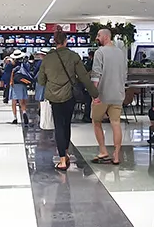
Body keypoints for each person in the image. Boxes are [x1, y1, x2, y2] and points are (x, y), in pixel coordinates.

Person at [39, 30, 99, 171]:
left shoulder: (47, 58)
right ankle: (65, 153)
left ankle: (62, 160)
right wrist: (94, 94)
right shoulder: (73, 56)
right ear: (66, 41)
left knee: (58, 126)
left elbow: (41, 80)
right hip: (70, 96)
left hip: (54, 97)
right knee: (66, 125)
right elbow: (84, 77)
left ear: (54, 42)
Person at [89, 29, 127, 165]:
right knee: (116, 124)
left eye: (98, 35)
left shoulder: (100, 52)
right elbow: (125, 74)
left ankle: (103, 150)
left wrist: (94, 94)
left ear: (105, 36)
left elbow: (96, 75)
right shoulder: (121, 53)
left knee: (96, 121)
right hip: (118, 94)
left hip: (102, 95)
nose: (97, 37)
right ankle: (116, 156)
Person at [9, 53, 36, 124]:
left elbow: (11, 74)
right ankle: (24, 112)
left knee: (14, 101)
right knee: (22, 101)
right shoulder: (25, 65)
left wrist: (11, 82)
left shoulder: (12, 65)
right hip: (22, 84)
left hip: (15, 84)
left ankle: (15, 118)